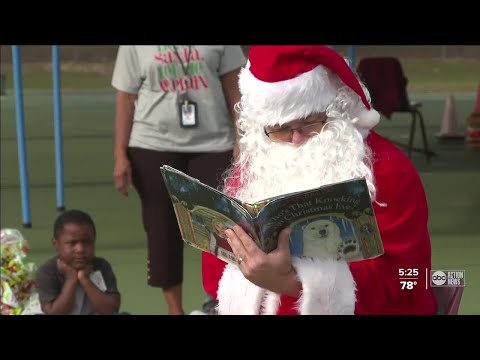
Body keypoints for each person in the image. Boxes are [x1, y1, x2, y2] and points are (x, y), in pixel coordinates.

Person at [201, 45, 438, 315]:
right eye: (280, 129)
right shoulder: (252, 169)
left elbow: (408, 279)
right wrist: (249, 266)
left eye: (310, 122)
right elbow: (214, 269)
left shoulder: (389, 170)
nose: (296, 139)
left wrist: (289, 283)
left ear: (335, 108)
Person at [111, 46, 247, 315]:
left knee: (225, 226)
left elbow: (235, 87)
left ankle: (222, 302)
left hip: (213, 141)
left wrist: (241, 137)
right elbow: (125, 98)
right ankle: (175, 309)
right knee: (161, 228)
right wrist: (119, 155)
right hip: (151, 143)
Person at [35, 209, 122, 315]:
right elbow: (53, 313)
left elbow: (110, 310)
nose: (80, 249)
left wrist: (85, 279)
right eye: (72, 243)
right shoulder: (47, 271)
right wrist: (70, 279)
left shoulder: (101, 266)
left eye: (87, 242)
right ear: (55, 244)